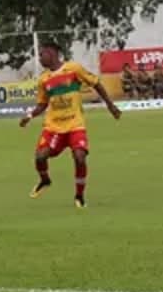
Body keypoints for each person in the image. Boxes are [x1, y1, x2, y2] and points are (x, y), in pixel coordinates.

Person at [21, 43, 121, 208]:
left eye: (42, 54)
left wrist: (110, 105)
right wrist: (29, 116)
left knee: (80, 157)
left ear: (52, 53)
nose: (39, 59)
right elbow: (42, 104)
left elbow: (95, 83)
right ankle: (45, 180)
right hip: (54, 127)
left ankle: (79, 195)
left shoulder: (74, 69)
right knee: (40, 156)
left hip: (75, 124)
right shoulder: (43, 79)